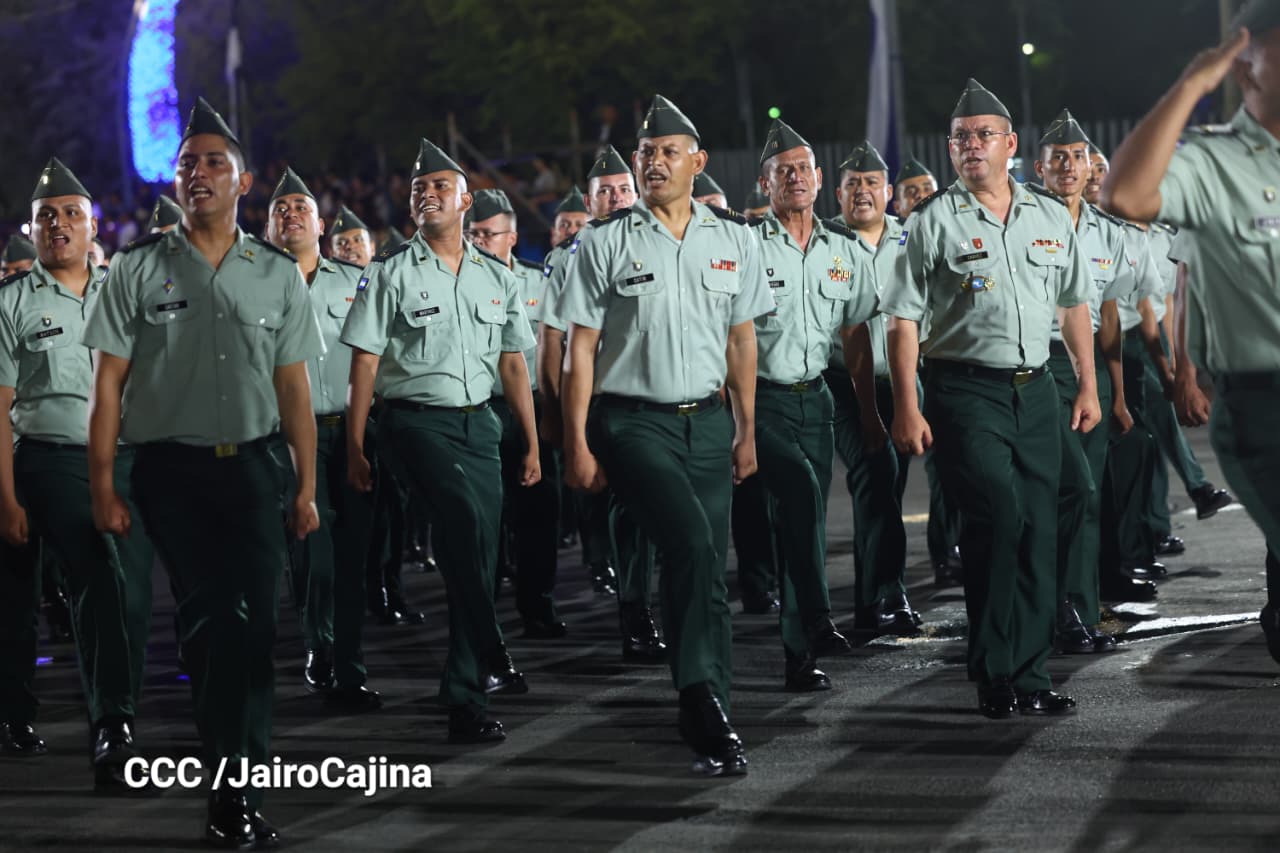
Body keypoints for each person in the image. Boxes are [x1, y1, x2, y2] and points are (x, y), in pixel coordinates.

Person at [83, 97, 322, 847]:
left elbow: (294, 388)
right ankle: (230, 789)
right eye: (188, 162)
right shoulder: (136, 268)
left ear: (243, 182)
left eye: (216, 162)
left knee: (256, 629)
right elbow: (108, 384)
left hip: (254, 469)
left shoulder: (274, 273)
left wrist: (307, 485)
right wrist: (103, 484)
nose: (200, 172)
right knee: (213, 621)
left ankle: (243, 771)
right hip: (170, 473)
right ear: (176, 179)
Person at [558, 94, 773, 775]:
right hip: (632, 424)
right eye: (646, 152)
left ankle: (711, 702)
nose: (653, 162)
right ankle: (699, 696)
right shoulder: (606, 241)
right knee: (688, 543)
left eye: (667, 152)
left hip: (707, 423)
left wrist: (746, 429)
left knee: (707, 565)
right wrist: (576, 441)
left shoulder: (734, 238)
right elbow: (579, 350)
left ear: (697, 162)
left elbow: (742, 340)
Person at [882, 79, 1096, 719]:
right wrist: (906, 404)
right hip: (964, 391)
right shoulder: (930, 221)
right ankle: (994, 669)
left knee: (1038, 531)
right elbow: (902, 320)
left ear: (1010, 144)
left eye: (983, 135)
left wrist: (1086, 382)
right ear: (950, 149)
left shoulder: (1048, 215)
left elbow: (1074, 304)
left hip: (1037, 390)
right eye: (960, 138)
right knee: (999, 519)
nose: (971, 145)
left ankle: (1030, 674)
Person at [341, 137, 540, 743]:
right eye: (418, 188)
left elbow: (513, 364)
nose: (427, 195)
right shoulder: (390, 272)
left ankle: (468, 686)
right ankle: (486, 657)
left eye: (440, 187)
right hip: (415, 424)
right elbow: (365, 363)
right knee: (460, 521)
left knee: (479, 552)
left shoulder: (496, 277)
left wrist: (532, 442)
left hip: (481, 426)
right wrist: (355, 444)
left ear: (465, 201)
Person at [1101, 0, 1280, 662]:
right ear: (1245, 64)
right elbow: (1124, 195)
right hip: (1265, 408)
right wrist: (1191, 85)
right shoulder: (1213, 162)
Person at [0, 159, 154, 787]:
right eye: (45, 216)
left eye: (70, 214)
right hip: (50, 459)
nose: (57, 224)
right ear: (31, 228)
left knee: (132, 593)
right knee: (94, 574)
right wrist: (7, 497)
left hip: (127, 458)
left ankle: (116, 710)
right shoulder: (13, 301)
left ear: (94, 226)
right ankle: (111, 725)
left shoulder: (126, 293)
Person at [749, 121, 878, 690]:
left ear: (820, 179)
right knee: (800, 498)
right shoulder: (747, 246)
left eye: (803, 169)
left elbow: (855, 334)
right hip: (762, 399)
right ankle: (815, 622)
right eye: (784, 172)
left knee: (806, 519)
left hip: (817, 400)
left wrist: (870, 412)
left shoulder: (843, 249)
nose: (795, 178)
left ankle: (802, 648)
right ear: (765, 183)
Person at [266, 167, 382, 710]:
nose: (291, 214)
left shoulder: (355, 281)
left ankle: (351, 666)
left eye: (301, 207)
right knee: (313, 551)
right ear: (268, 228)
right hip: (290, 439)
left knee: (354, 554)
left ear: (321, 225)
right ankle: (321, 643)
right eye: (280, 209)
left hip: (350, 431)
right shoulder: (257, 284)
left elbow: (376, 358)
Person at [1032, 111, 1137, 652]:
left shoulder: (1107, 233)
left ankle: (1081, 606)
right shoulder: (1025, 220)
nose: (1070, 167)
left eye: (1078, 157)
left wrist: (1116, 393)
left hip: (1089, 368)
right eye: (1058, 158)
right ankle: (1055, 608)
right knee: (1064, 488)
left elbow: (1109, 318)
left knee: (1088, 496)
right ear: (1040, 168)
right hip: (1041, 362)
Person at [828, 139, 923, 634]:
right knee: (876, 473)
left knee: (889, 487)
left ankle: (874, 597)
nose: (862, 191)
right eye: (852, 184)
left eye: (871, 183)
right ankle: (886, 592)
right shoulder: (822, 242)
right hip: (842, 385)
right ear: (837, 194)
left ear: (889, 191)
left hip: (902, 382)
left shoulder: (913, 238)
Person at [465, 188, 565, 637]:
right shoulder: (460, 280)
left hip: (531, 408)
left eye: (489, 234)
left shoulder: (538, 282)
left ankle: (537, 604)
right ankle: (483, 613)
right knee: (483, 517)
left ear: (512, 237)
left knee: (539, 512)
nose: (480, 241)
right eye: (473, 234)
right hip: (481, 406)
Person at [893, 157, 964, 586]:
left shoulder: (949, 232)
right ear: (896, 202)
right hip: (905, 371)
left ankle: (951, 549)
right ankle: (936, 556)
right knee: (916, 476)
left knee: (951, 468)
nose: (921, 196)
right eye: (911, 191)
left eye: (926, 188)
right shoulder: (894, 242)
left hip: (940, 366)